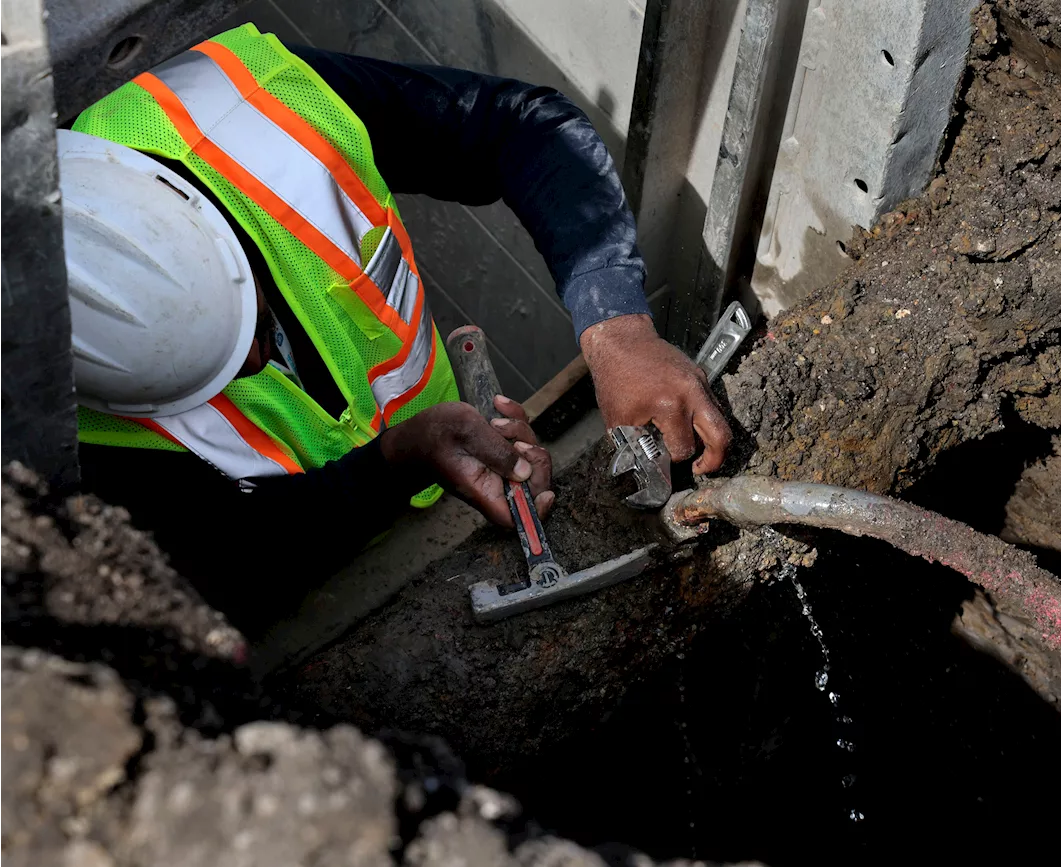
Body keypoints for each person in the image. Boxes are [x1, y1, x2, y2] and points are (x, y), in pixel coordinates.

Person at [65, 23, 731, 629]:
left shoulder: (261, 108)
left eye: (250, 331)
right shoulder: (62, 425)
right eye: (209, 379)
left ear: (218, 234)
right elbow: (226, 569)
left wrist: (615, 329)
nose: (257, 364)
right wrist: (396, 465)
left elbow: (527, 130)